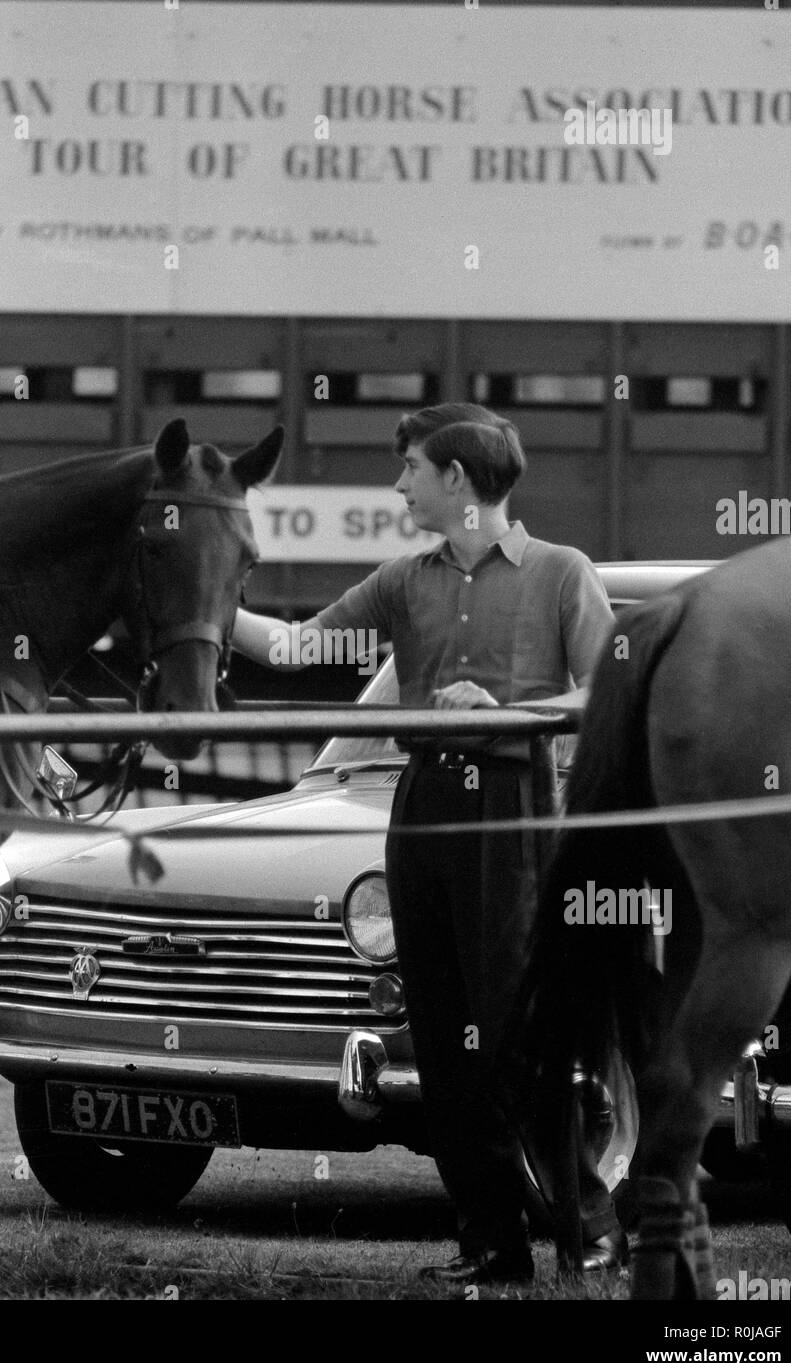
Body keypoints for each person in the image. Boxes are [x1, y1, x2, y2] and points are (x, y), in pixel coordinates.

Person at [231, 402, 625, 1285]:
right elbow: (295, 649)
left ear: (456, 480)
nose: (397, 484)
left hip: (514, 811)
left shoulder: (563, 573)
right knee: (444, 1044)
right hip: (425, 809)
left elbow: (606, 698)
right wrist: (215, 607)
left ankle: (589, 1233)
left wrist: (509, 712)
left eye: (409, 466)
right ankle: (490, 1247)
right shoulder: (404, 581)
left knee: (521, 1040)